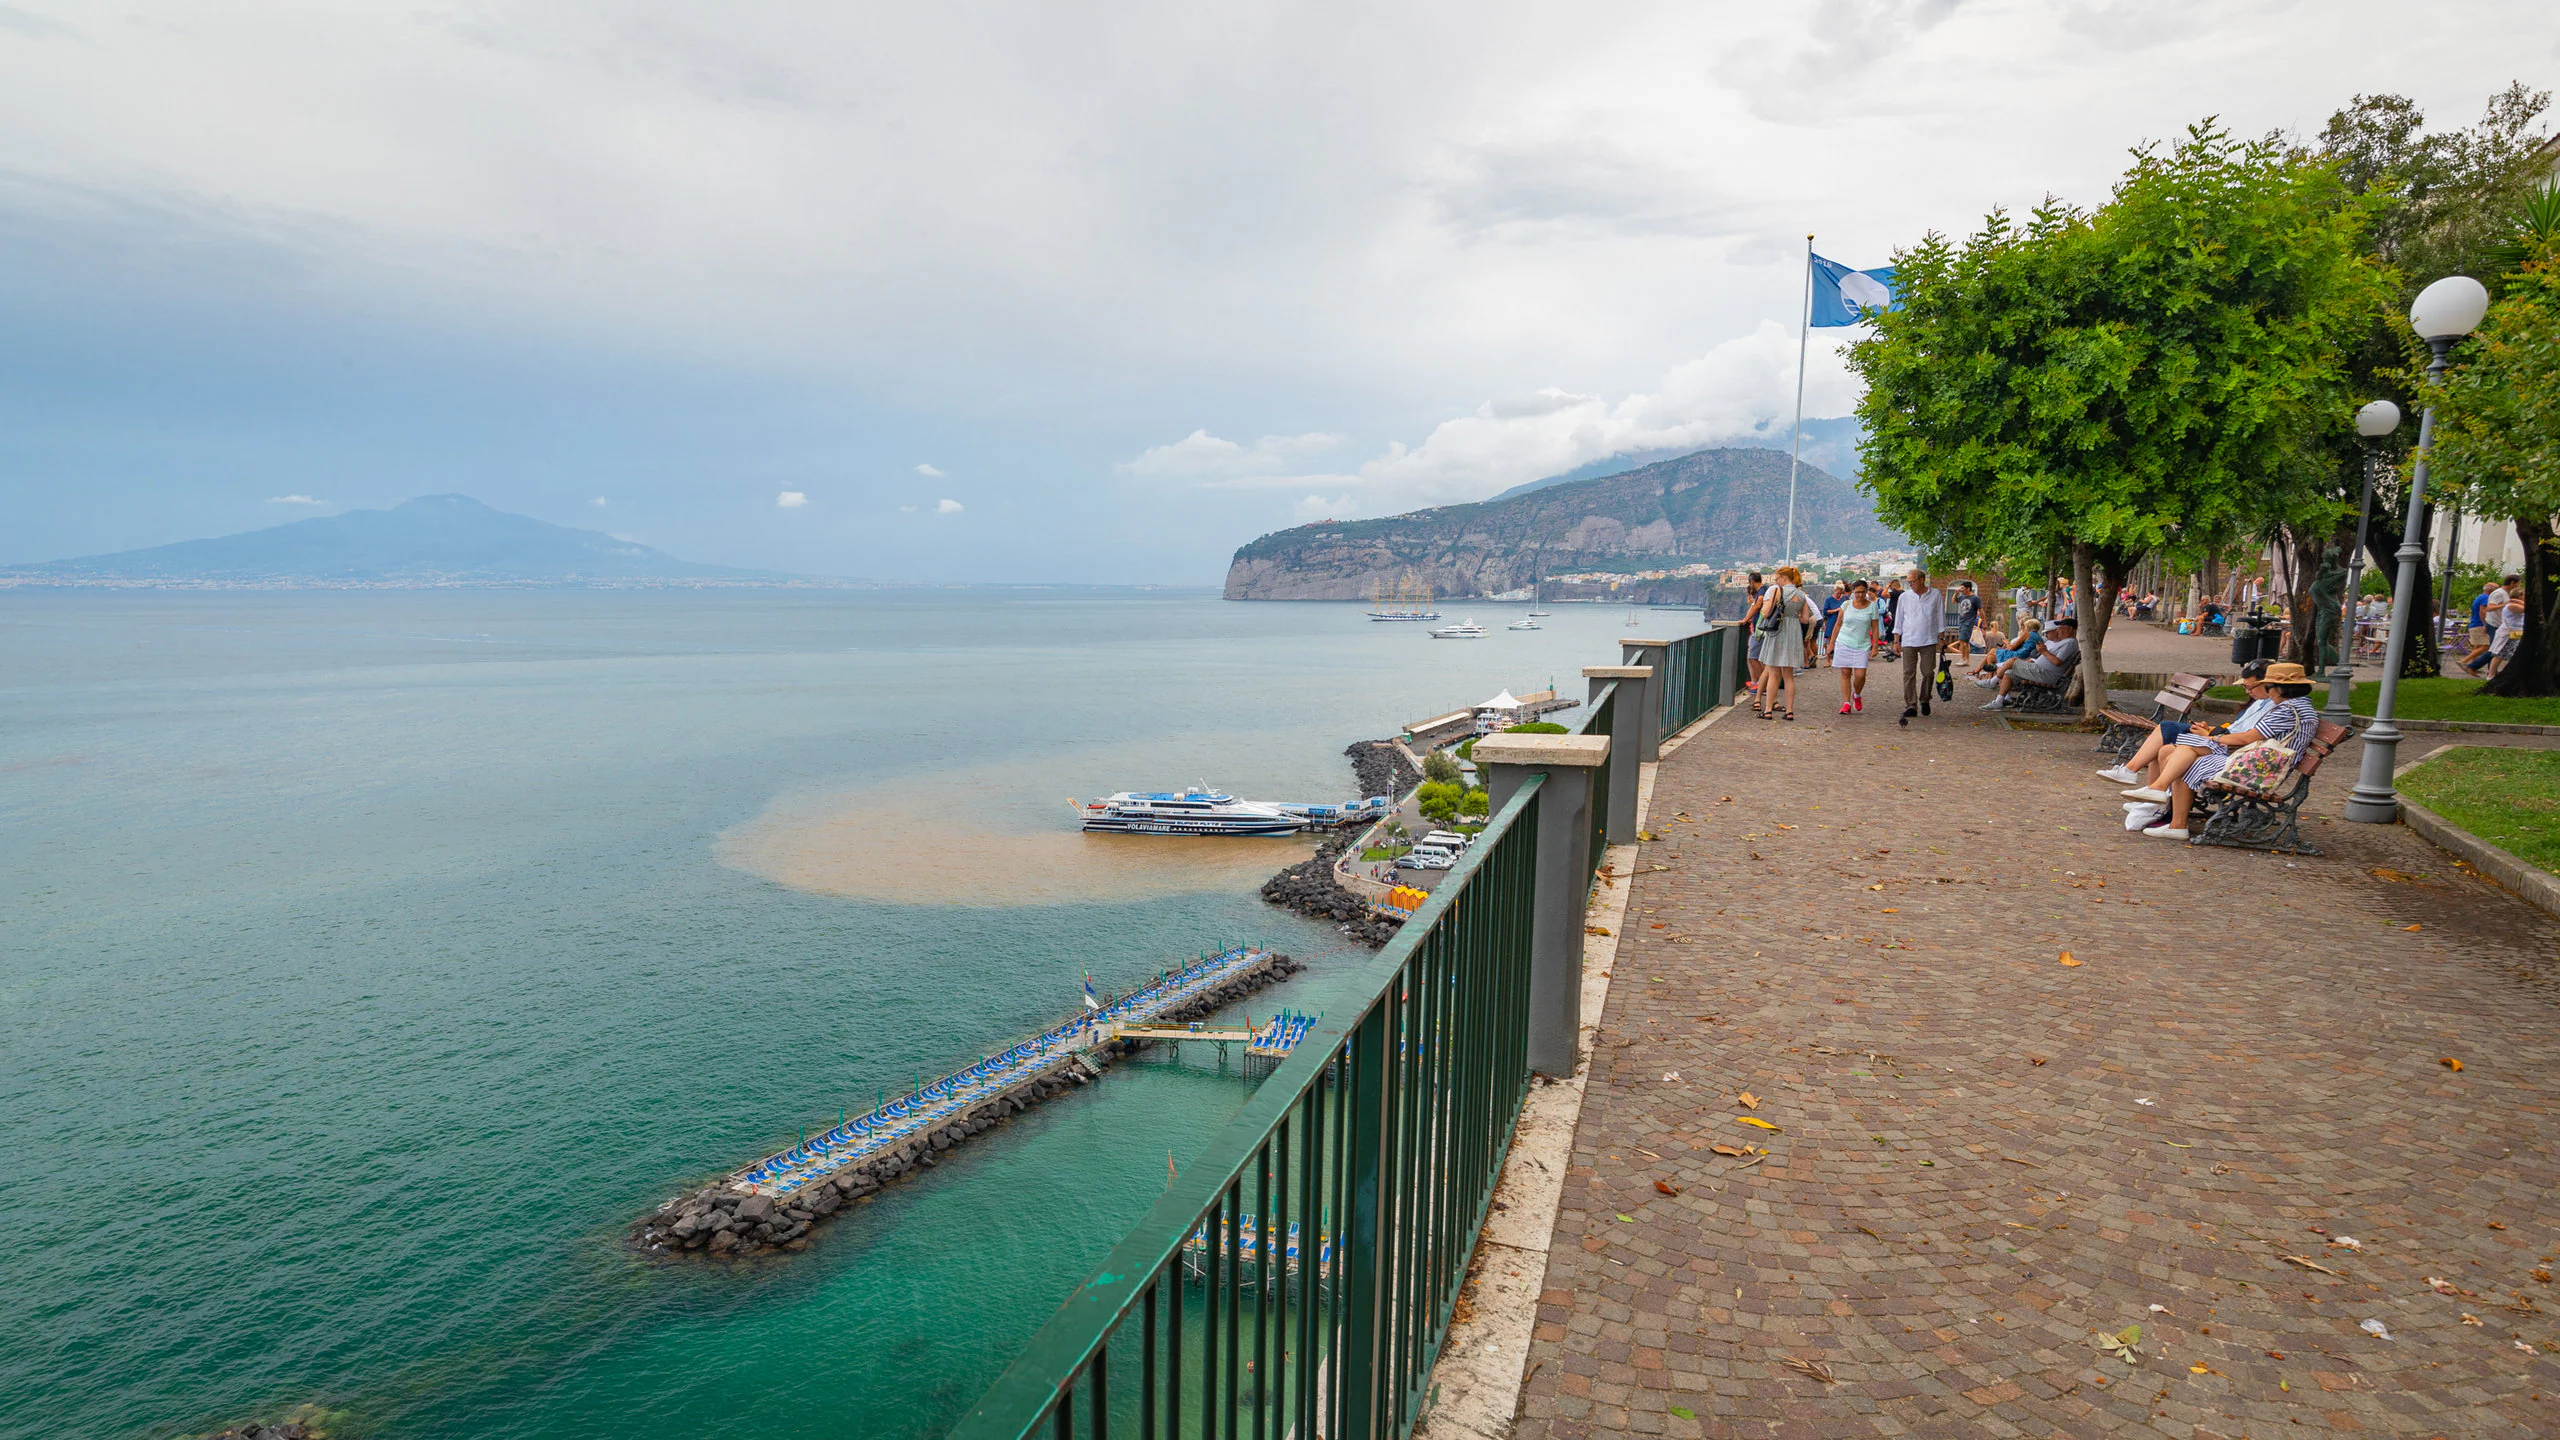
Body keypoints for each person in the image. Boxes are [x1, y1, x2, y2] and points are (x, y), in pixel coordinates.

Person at [2121, 662, 2320, 840]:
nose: (2267, 691)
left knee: (2183, 756)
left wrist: (2212, 737)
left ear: (2280, 688)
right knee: (2178, 753)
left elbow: (2247, 738)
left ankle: (2168, 808)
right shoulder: (2299, 707)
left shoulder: (2287, 710)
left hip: (2259, 770)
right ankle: (2166, 806)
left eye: (2269, 687)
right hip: (2261, 764)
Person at [2098, 658, 2271, 787]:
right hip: (2221, 736)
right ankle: (2146, 791)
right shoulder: (2261, 701)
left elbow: (2246, 736)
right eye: (2245, 687)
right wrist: (2210, 728)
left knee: (2166, 730)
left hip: (2226, 744)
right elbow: (2236, 728)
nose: (2247, 691)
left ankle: (2133, 774)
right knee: (2163, 739)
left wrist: (2210, 734)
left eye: (2250, 687)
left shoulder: (2274, 707)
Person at [1753, 564, 1820, 721]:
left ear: (1784, 578)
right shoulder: (1801, 594)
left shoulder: (1778, 591)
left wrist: (1764, 609)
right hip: (1793, 633)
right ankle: (1789, 711)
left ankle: (1768, 709)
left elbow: (1766, 612)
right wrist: (1792, 617)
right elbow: (1805, 619)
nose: (1776, 581)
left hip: (1778, 632)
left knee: (1774, 672)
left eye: (1777, 579)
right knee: (1788, 675)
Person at [1978, 619, 2077, 710]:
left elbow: (2057, 661)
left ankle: (1993, 681)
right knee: (2009, 673)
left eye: (2062, 629)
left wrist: (2044, 652)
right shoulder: (2063, 642)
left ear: (2070, 629)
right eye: (2059, 629)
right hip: (2039, 670)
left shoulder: (2070, 643)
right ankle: (1999, 701)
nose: (2059, 631)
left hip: (2045, 674)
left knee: (2013, 661)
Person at [1892, 567, 1946, 726]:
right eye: (1908, 582)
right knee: (1908, 673)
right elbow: (1899, 619)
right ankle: (1911, 705)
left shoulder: (1935, 595)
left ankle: (1925, 698)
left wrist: (1941, 637)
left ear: (1922, 580)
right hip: (1909, 639)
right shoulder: (1904, 597)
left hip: (1929, 639)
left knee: (1928, 672)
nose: (1910, 585)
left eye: (1912, 581)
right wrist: (1896, 640)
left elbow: (1940, 616)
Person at [1829, 578, 1883, 713]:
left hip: (1862, 644)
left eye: (1863, 592)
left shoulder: (1872, 607)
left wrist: (1875, 646)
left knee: (1860, 675)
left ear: (1867, 592)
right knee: (1845, 673)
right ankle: (1846, 702)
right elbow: (1838, 624)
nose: (1860, 595)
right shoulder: (1846, 605)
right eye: (1857, 592)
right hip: (1844, 641)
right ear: (1853, 592)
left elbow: (1875, 628)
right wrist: (1832, 643)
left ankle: (1857, 694)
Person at [1740, 572, 1767, 695]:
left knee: (1752, 657)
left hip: (1760, 630)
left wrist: (1745, 619)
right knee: (1753, 656)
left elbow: (1757, 605)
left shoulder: (1762, 591)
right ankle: (1760, 683)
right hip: (1760, 629)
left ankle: (1762, 684)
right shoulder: (1765, 590)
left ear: (1751, 582)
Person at [1951, 582, 1983, 668]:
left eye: (1963, 588)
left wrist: (1984, 622)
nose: (1961, 590)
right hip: (1961, 620)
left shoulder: (1975, 598)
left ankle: (1963, 658)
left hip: (1968, 621)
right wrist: (1956, 593)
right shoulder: (1962, 597)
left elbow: (1981, 610)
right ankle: (1966, 659)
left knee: (1962, 640)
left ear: (1968, 588)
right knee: (1965, 641)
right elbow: (1954, 601)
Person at [1818, 581, 1849, 667]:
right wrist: (1837, 610)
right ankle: (1828, 660)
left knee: (1842, 640)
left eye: (1840, 593)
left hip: (1843, 621)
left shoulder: (1846, 598)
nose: (1839, 594)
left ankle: (1840, 659)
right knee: (1830, 640)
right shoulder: (1829, 599)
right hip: (1832, 621)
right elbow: (1825, 611)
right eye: (1837, 592)